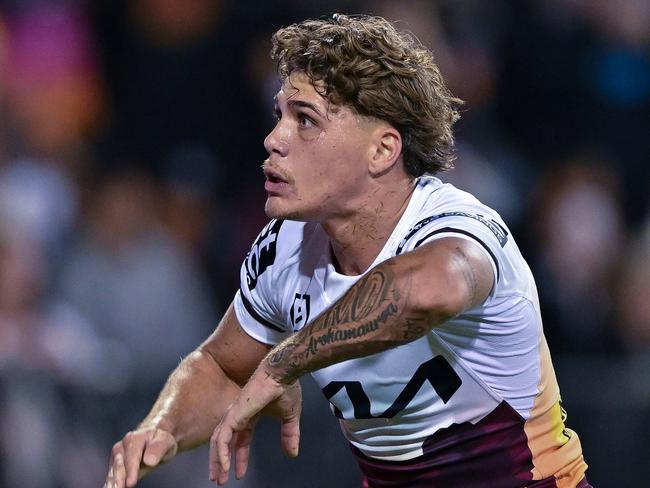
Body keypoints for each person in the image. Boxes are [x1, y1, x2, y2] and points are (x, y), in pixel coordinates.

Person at [104, 14, 590, 488]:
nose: (274, 139)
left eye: (306, 121)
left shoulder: (457, 225)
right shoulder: (285, 248)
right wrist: (160, 430)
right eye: (280, 116)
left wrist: (288, 358)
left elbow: (429, 289)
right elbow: (224, 366)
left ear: (382, 150)